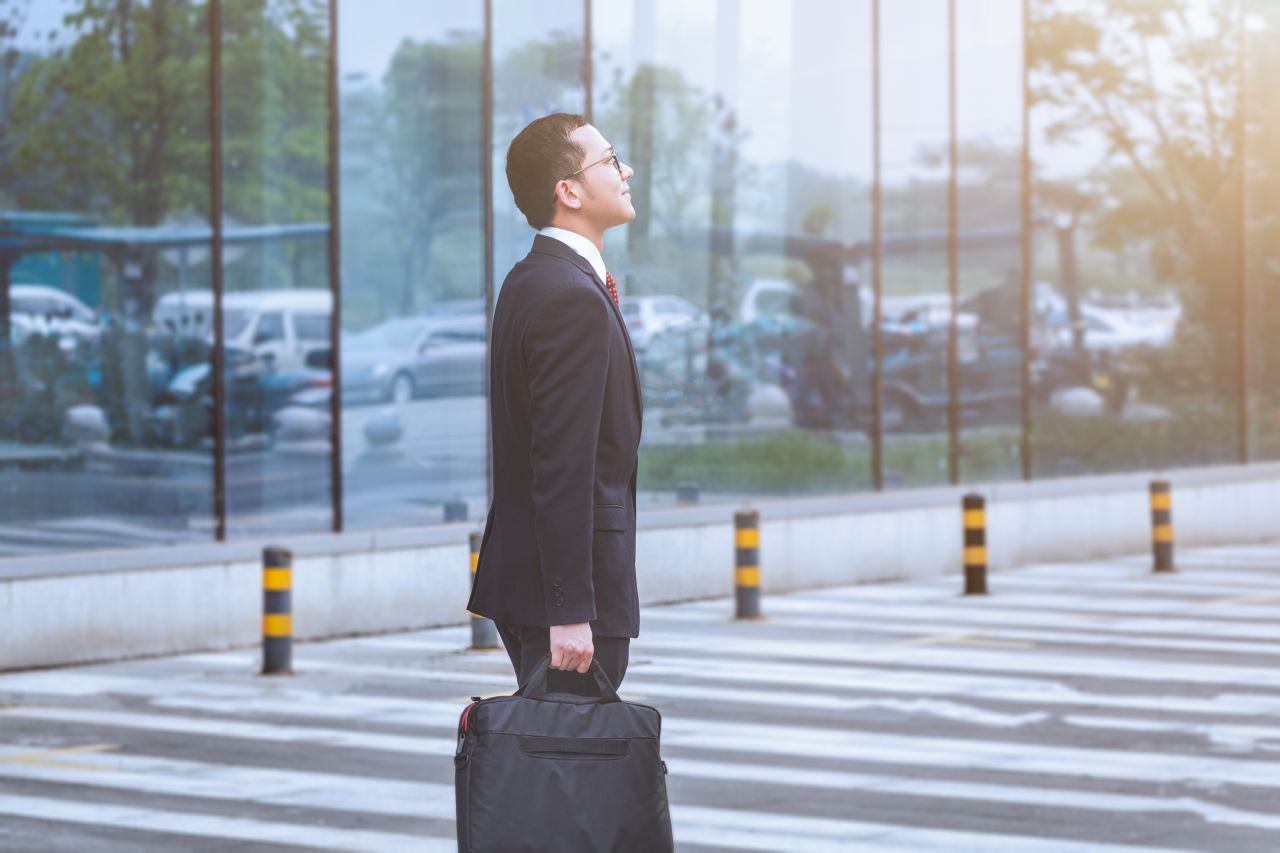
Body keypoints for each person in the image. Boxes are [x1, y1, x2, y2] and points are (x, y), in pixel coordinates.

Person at [467, 113, 642, 695]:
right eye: (611, 162)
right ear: (568, 191)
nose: (627, 172)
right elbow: (562, 463)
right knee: (572, 776)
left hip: (545, 590)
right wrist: (570, 610)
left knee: (558, 775)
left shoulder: (535, 279)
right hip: (567, 604)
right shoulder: (569, 296)